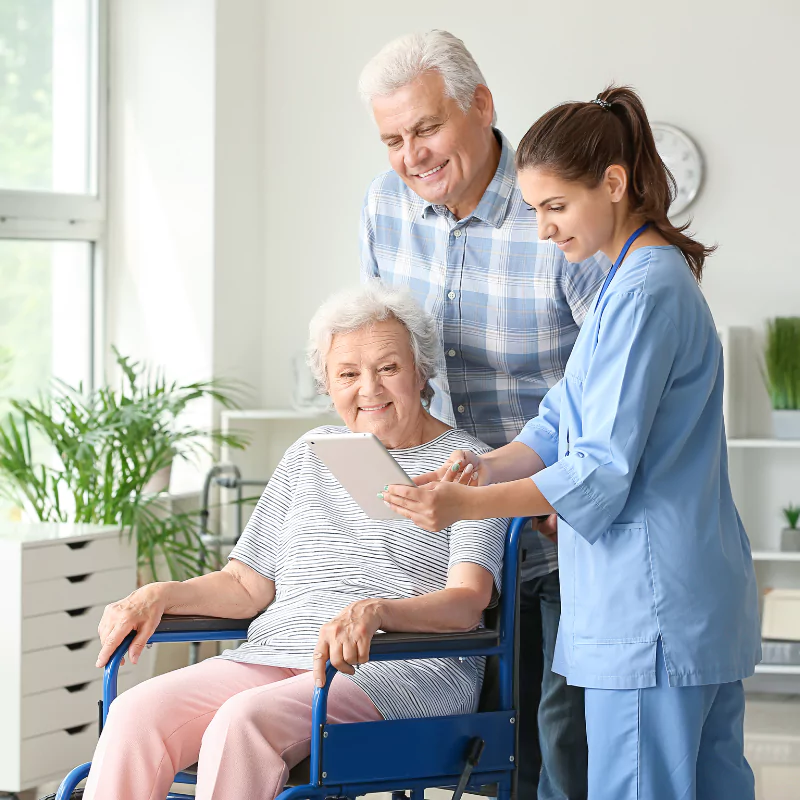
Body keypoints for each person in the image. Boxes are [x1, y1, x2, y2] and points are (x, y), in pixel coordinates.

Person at [383, 86, 761, 800]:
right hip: (687, 605)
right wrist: (481, 465)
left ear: (613, 185)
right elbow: (560, 420)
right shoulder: (629, 282)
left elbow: (597, 470)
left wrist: (472, 505)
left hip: (649, 609)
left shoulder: (645, 290)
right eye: (533, 211)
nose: (545, 230)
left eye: (555, 207)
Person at [83, 282, 507, 800]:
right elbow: (245, 585)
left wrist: (378, 612)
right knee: (136, 712)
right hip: (276, 654)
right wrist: (159, 594)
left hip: (396, 667)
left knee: (242, 721)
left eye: (388, 368)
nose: (368, 388)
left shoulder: (470, 466)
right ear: (327, 385)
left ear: (422, 372)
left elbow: (467, 604)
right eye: (347, 374)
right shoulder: (313, 451)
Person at [358, 30, 608, 799]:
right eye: (394, 139)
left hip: (560, 523)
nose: (413, 156)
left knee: (564, 746)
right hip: (455, 537)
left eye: (427, 128)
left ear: (482, 105)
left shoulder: (558, 210)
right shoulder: (385, 206)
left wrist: (563, 492)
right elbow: (388, 359)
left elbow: (613, 378)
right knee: (483, 750)